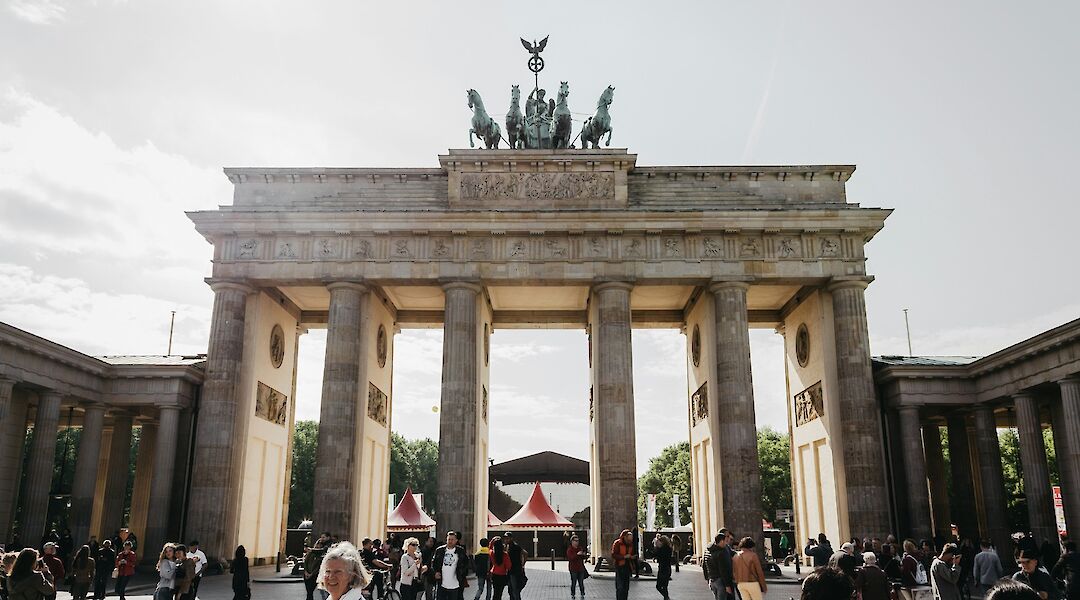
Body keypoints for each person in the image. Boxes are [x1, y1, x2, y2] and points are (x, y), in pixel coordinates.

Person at [432, 531, 470, 600]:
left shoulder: (460, 551)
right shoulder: (439, 550)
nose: (450, 541)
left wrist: (462, 573)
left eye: (452, 539)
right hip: (442, 584)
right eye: (449, 539)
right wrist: (435, 572)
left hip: (455, 584)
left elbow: (466, 563)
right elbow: (434, 563)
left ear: (456, 540)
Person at [703, 531, 733, 600]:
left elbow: (704, 565)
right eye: (725, 541)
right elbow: (723, 571)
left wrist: (707, 578)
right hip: (720, 581)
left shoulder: (707, 550)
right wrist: (727, 585)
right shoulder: (721, 553)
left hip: (712, 580)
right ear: (722, 541)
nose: (726, 544)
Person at [611, 530, 635, 600]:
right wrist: (624, 557)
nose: (630, 540)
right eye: (629, 538)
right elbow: (613, 554)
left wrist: (631, 557)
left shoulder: (631, 544)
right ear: (625, 537)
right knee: (620, 587)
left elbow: (632, 553)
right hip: (620, 566)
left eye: (631, 538)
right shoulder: (617, 543)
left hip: (628, 567)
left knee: (626, 587)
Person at [504, 533, 525, 600]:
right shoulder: (507, 546)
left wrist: (522, 564)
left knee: (515, 588)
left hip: (514, 570)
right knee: (510, 589)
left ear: (511, 538)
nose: (506, 540)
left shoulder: (515, 546)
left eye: (507, 538)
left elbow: (525, 553)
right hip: (510, 571)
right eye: (505, 538)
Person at [566, 535, 586, 600]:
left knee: (581, 582)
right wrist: (577, 554)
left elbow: (583, 557)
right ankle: (573, 594)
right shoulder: (570, 549)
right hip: (573, 569)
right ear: (572, 541)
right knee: (574, 582)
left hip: (580, 568)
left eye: (578, 541)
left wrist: (583, 555)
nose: (577, 542)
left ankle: (582, 593)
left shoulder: (580, 548)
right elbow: (571, 558)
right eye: (575, 541)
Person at [654, 535, 672, 600]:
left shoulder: (662, 549)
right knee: (664, 586)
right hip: (667, 569)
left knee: (659, 586)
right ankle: (666, 597)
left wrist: (657, 548)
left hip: (663, 569)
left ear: (662, 542)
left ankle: (666, 597)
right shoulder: (669, 548)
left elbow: (658, 556)